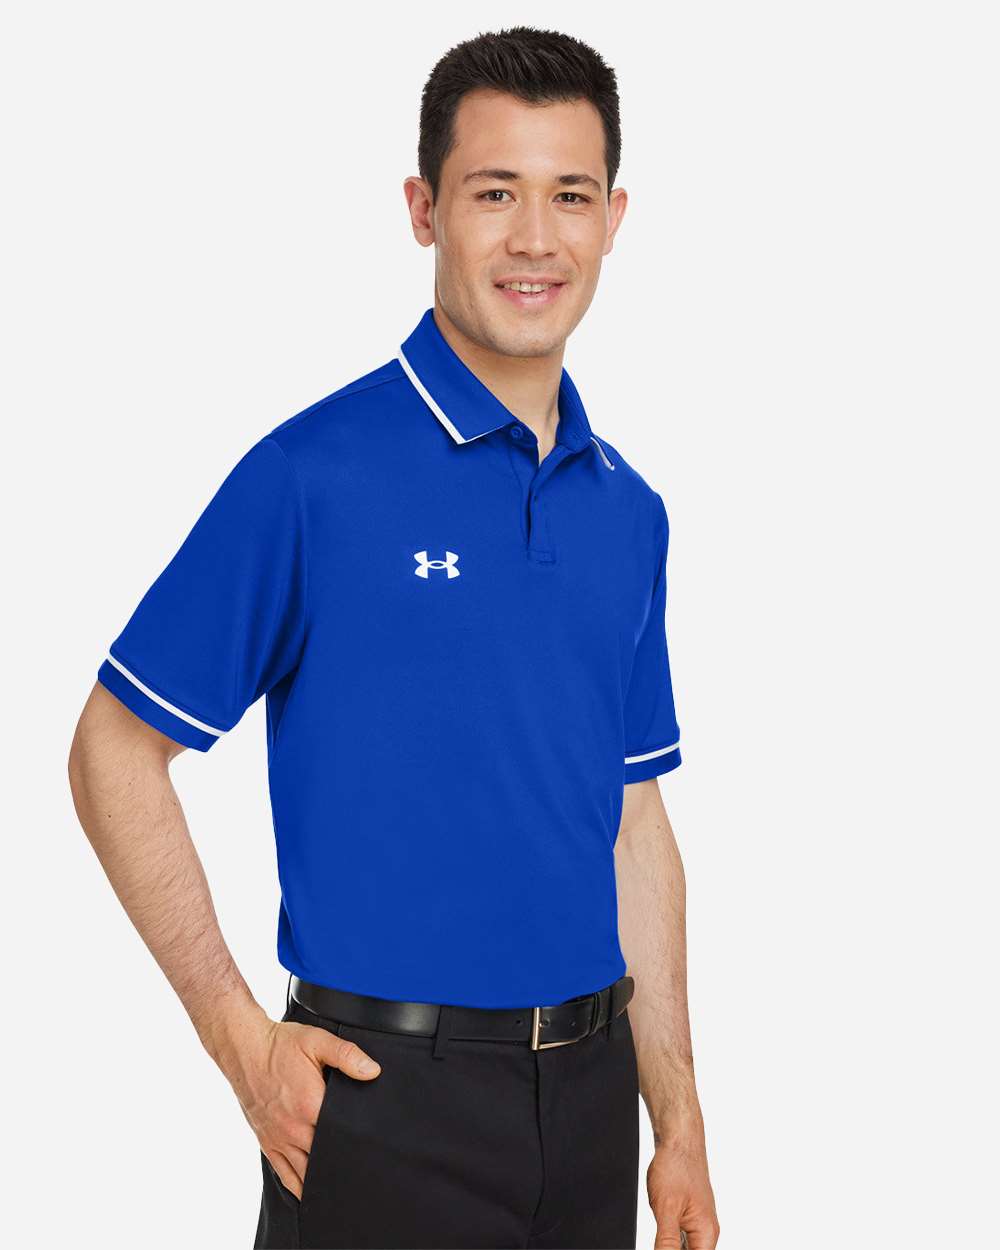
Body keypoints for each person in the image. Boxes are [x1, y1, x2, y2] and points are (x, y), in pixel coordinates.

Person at [68, 24, 719, 1250]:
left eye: (570, 195)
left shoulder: (629, 510)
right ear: (425, 210)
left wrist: (675, 1116)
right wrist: (241, 1043)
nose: (536, 239)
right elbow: (113, 745)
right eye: (494, 193)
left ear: (614, 219)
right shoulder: (314, 474)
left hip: (592, 1109)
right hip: (379, 1102)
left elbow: (634, 815)